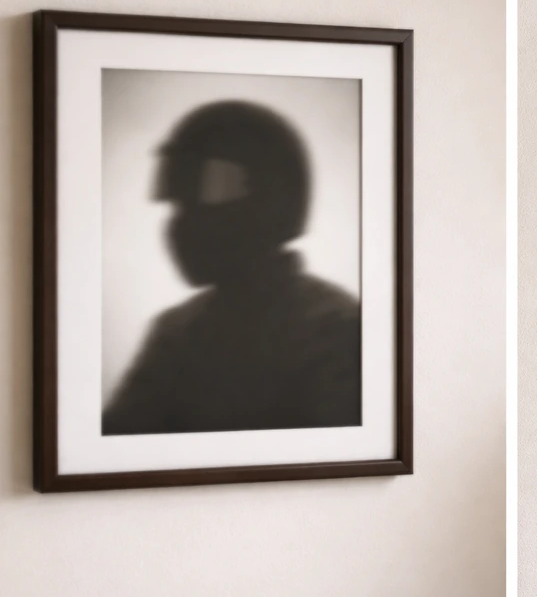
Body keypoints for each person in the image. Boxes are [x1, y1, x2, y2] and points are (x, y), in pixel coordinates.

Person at [102, 100, 361, 436]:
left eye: (204, 198)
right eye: (179, 204)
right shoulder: (175, 333)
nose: (181, 224)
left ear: (270, 198)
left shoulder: (335, 330)